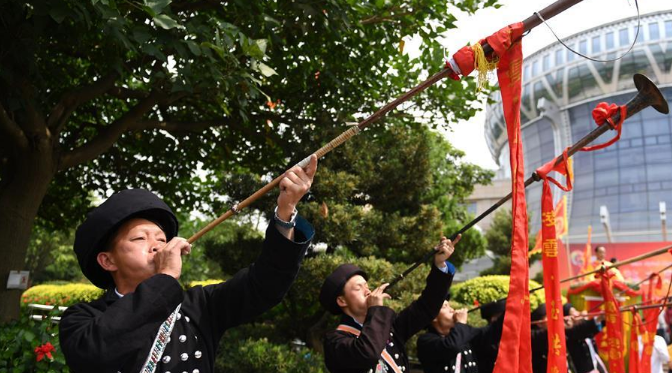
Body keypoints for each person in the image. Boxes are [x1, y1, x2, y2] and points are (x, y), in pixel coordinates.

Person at [59, 156, 318, 372]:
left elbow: (265, 284)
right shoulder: (82, 319)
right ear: (107, 260)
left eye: (162, 239)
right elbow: (95, 353)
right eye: (140, 238)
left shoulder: (200, 306)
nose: (157, 245)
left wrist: (286, 212)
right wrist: (166, 278)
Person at [319, 235, 459, 373]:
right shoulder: (335, 341)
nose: (367, 291)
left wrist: (440, 265)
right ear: (342, 300)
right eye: (358, 288)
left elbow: (425, 308)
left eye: (367, 286)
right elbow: (367, 353)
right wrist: (376, 309)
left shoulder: (389, 326)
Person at [416, 298, 506, 373]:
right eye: (445, 307)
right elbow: (451, 346)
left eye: (450, 306)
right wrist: (461, 323)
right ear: (434, 317)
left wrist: (512, 304)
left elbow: (493, 332)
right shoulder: (426, 340)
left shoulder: (464, 332)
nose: (452, 309)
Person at [530, 303, 602, 373]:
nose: (558, 318)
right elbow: (566, 331)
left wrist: (600, 318)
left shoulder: (565, 333)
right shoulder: (536, 337)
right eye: (551, 316)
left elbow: (577, 330)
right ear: (539, 323)